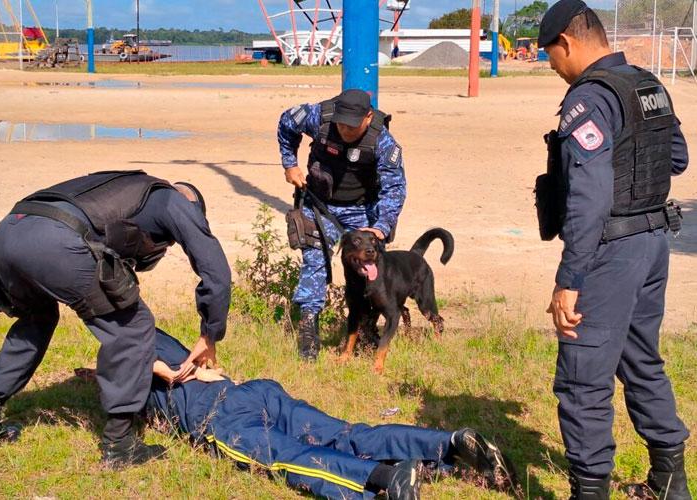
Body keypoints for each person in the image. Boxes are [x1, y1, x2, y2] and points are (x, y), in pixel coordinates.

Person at [0, 170, 232, 468]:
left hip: (8, 233)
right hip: (55, 240)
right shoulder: (174, 200)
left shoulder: (124, 188)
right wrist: (210, 334)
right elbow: (216, 272)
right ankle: (120, 446)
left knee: (36, 321)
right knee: (134, 327)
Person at [536, 2, 690, 498]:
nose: (552, 66)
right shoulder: (647, 84)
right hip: (653, 242)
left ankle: (590, 490)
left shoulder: (589, 98)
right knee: (640, 357)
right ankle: (670, 481)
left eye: (549, 55)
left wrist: (569, 280)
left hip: (610, 250)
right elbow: (677, 158)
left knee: (583, 377)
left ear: (566, 42)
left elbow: (589, 198)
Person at [144, 328, 517, 500]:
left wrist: (167, 374)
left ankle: (387, 479)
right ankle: (449, 442)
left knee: (288, 457)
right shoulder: (149, 328)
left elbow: (141, 374)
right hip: (251, 391)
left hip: (217, 416)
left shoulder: (125, 357)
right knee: (348, 434)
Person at [277, 88, 406, 361]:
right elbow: (287, 122)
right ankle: (309, 329)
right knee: (314, 262)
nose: (345, 129)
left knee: (370, 269)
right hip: (320, 205)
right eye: (341, 123)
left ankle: (366, 328)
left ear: (368, 117)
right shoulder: (319, 116)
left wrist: (381, 227)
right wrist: (290, 164)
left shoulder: (383, 141)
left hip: (362, 210)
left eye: (352, 125)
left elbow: (394, 189)